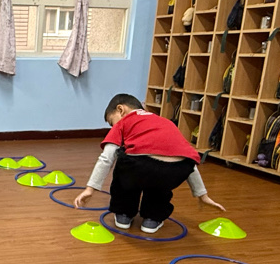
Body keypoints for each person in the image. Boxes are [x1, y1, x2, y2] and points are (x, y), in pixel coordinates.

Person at [75, 93, 224, 233]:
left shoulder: (124, 122)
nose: (113, 127)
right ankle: (153, 218)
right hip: (178, 170)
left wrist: (90, 189)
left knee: (123, 162)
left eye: (111, 122)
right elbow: (188, 160)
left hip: (140, 167)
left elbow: (106, 158)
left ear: (121, 110)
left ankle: (123, 214)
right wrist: (202, 194)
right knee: (161, 179)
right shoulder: (165, 122)